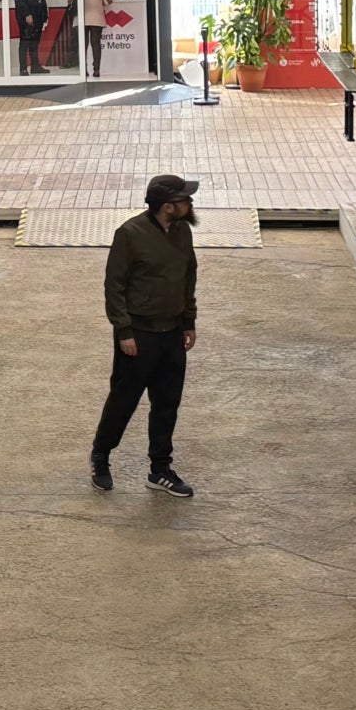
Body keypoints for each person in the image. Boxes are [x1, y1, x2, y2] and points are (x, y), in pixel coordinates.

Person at [91, 174, 199, 497]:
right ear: (167, 206)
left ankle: (160, 469)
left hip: (172, 334)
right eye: (184, 200)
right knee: (124, 401)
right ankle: (101, 455)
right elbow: (114, 286)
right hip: (139, 335)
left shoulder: (182, 232)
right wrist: (124, 331)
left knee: (167, 404)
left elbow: (188, 276)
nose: (190, 204)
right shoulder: (130, 234)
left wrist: (189, 321)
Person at [13, 0, 49, 75]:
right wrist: (27, 14)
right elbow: (19, 0)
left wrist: (45, 14)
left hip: (38, 15)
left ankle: (35, 66)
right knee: (25, 42)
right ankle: (23, 68)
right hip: (25, 17)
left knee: (35, 42)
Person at [79, 0, 112, 79]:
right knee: (96, 44)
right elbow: (108, 1)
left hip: (82, 17)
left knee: (83, 45)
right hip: (97, 17)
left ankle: (84, 69)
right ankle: (96, 70)